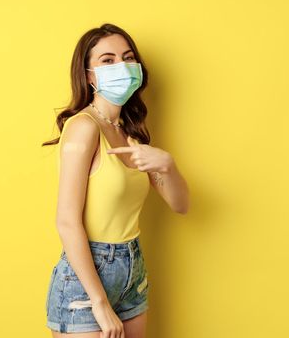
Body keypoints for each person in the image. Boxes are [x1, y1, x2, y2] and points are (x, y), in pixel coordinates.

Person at [41, 23, 190, 338]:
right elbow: (66, 221)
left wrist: (168, 166)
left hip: (133, 270)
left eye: (127, 57)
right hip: (86, 278)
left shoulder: (131, 132)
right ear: (90, 76)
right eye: (107, 60)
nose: (121, 66)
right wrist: (99, 301)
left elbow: (181, 205)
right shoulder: (84, 127)